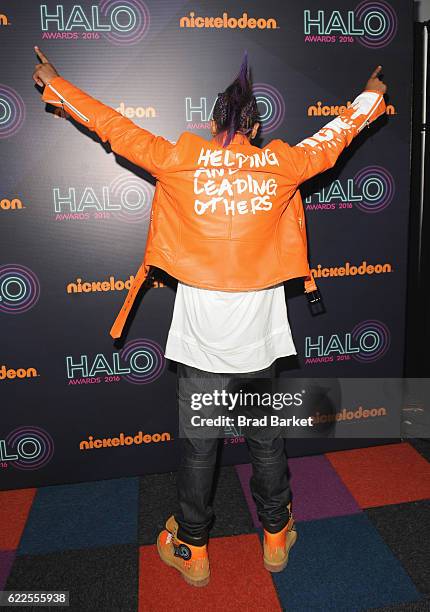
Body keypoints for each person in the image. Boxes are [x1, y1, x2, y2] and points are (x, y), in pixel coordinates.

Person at [33, 47, 387, 588]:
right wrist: (370, 95)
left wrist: (55, 82)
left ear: (212, 121)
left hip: (199, 344)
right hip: (259, 345)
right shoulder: (282, 164)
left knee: (200, 448)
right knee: (266, 440)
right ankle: (275, 534)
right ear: (257, 125)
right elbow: (334, 136)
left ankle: (193, 549)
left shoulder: (178, 159)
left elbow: (113, 127)